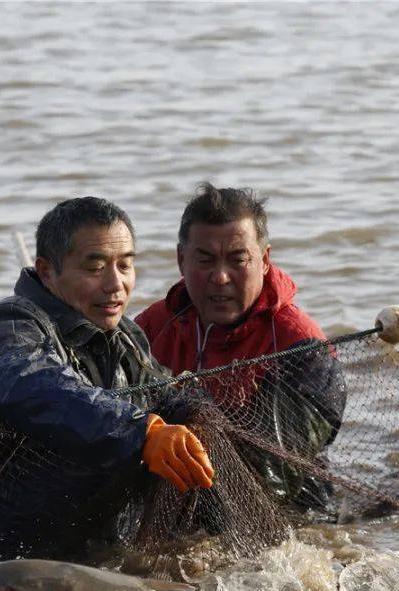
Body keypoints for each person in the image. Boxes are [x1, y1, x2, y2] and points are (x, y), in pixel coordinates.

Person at [0, 197, 214, 562]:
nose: (115, 285)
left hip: (98, 548)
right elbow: (30, 384)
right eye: (95, 268)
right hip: (11, 563)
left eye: (125, 266)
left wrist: (191, 415)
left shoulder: (127, 337)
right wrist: (141, 432)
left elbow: (162, 392)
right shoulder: (10, 324)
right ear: (46, 271)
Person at [135, 184, 345, 514]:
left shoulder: (301, 345)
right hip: (171, 498)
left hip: (287, 510)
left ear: (264, 260)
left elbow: (275, 473)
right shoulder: (151, 326)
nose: (220, 278)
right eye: (205, 260)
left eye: (238, 260)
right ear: (180, 259)